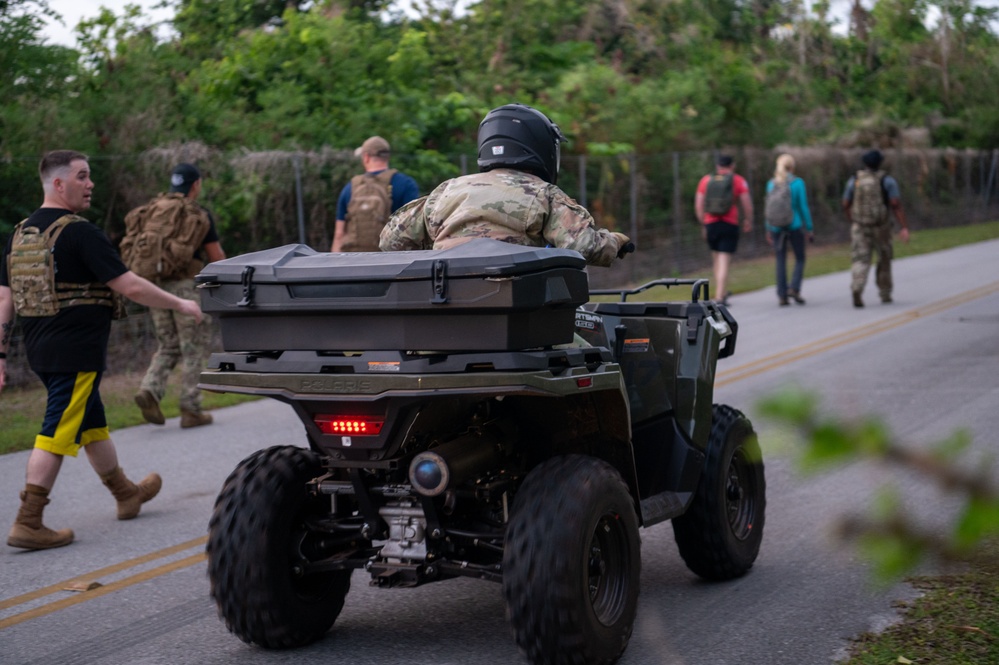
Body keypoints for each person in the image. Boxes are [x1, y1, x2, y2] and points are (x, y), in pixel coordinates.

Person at [1, 150, 204, 551]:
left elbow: (4, 298)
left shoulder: (21, 234)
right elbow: (129, 285)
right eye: (82, 176)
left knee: (91, 422)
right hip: (76, 350)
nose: (90, 183)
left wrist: (1, 356)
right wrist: (180, 303)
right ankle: (29, 520)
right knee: (57, 430)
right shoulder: (80, 233)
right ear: (58, 184)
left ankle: (125, 493)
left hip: (43, 350)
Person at [379, 103, 631, 266]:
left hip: (445, 312)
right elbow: (584, 246)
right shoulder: (542, 193)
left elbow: (391, 242)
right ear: (540, 145)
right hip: (514, 318)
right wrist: (615, 241)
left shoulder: (446, 191)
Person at [132, 163, 226, 428]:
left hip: (155, 288)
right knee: (193, 347)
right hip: (185, 288)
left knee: (169, 344)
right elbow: (216, 257)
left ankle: (150, 389)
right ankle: (190, 408)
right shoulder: (198, 214)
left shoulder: (154, 210)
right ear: (196, 185)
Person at [841, 149, 910, 307]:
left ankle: (857, 287)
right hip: (881, 227)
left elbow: (845, 203)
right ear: (880, 163)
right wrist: (904, 227)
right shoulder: (887, 180)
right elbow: (895, 204)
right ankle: (885, 294)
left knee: (860, 259)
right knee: (884, 259)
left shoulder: (854, 180)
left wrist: (853, 220)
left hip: (860, 226)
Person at [330, 136, 420, 253]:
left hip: (354, 261)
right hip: (391, 260)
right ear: (387, 157)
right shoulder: (407, 184)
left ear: (366, 157)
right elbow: (413, 229)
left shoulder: (350, 188)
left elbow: (339, 234)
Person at [695, 155, 754, 305]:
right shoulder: (738, 180)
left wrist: (703, 224)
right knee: (724, 260)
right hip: (729, 223)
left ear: (718, 166)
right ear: (732, 166)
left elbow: (699, 204)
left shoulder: (706, 180)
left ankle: (720, 291)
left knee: (716, 258)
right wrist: (748, 219)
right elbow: (746, 203)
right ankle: (720, 296)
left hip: (710, 224)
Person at [765, 154, 814, 306]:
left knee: (780, 259)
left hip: (776, 227)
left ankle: (782, 295)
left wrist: (768, 227)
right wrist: (809, 227)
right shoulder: (798, 183)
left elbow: (768, 208)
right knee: (799, 257)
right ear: (792, 167)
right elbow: (803, 206)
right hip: (794, 225)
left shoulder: (771, 183)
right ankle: (794, 288)